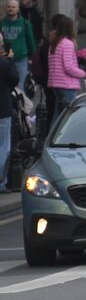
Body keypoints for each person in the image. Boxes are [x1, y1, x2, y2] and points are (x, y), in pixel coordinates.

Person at [46, 15, 85, 134]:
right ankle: (69, 137)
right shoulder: (67, 44)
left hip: (56, 84)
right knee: (71, 115)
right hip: (66, 84)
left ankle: (52, 137)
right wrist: (82, 73)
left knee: (58, 116)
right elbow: (68, 67)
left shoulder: (54, 43)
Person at [1, 0, 37, 89]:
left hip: (21, 59)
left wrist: (32, 57)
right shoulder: (2, 23)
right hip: (5, 59)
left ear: (18, 9)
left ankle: (20, 102)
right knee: (6, 85)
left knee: (20, 85)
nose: (11, 8)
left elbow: (30, 40)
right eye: (9, 6)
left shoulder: (25, 23)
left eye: (13, 7)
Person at [0, 31, 18, 192]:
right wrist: (10, 60)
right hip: (3, 109)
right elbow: (14, 79)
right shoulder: (5, 63)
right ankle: (1, 182)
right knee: (3, 146)